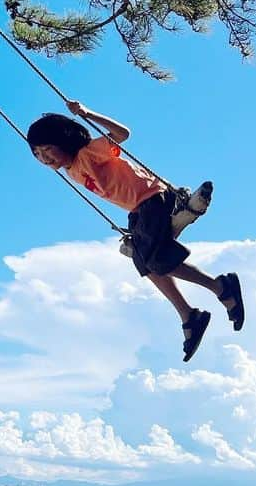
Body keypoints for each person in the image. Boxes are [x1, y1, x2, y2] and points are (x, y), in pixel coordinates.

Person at [27, 100, 244, 362]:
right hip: (137, 211)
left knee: (154, 257)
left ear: (65, 141)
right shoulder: (71, 170)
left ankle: (217, 288)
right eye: (38, 154)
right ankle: (192, 312)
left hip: (153, 197)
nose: (44, 157)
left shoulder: (88, 153)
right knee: (144, 264)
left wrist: (88, 114)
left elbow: (122, 134)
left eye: (48, 149)